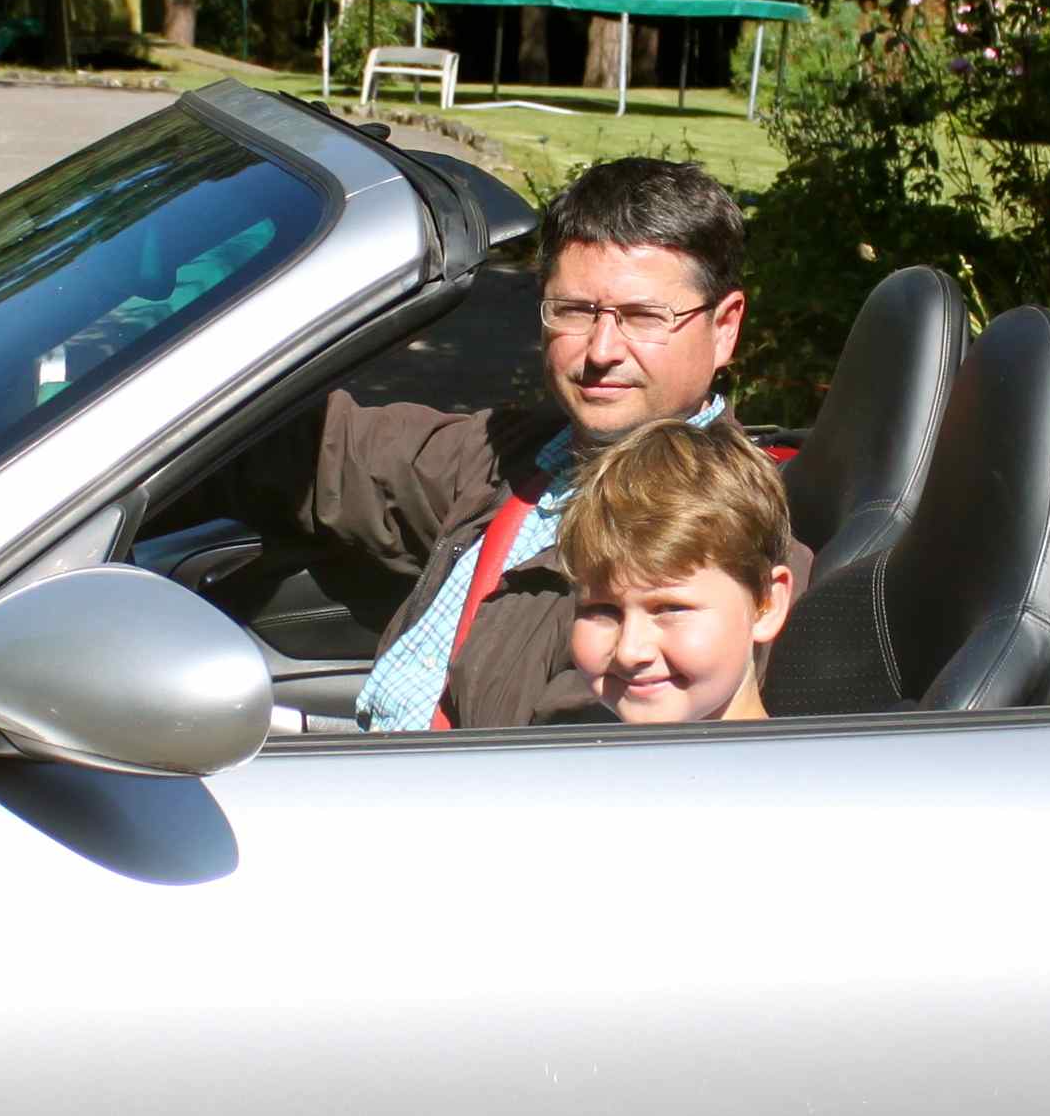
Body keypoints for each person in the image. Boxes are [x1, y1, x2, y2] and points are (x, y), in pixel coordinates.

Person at [277, 156, 813, 731]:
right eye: (574, 311)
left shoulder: (730, 539)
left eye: (643, 317)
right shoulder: (516, 454)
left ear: (725, 327)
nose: (602, 350)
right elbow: (324, 451)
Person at [555, 418, 797, 724]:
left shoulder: (810, 758)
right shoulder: (569, 751)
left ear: (767, 604)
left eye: (671, 609)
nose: (630, 651)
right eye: (602, 610)